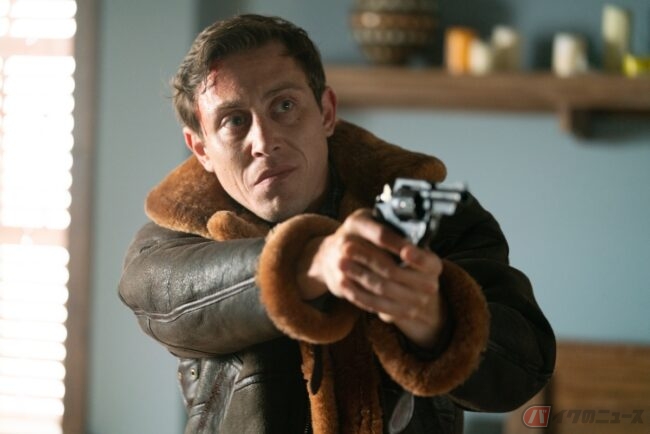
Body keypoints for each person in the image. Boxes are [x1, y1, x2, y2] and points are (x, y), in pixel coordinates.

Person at [118, 14, 555, 434]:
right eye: (234, 121)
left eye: (284, 105)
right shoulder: (177, 236)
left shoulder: (439, 216)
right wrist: (309, 263)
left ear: (326, 112)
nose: (265, 141)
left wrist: (435, 318)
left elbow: (526, 369)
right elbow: (156, 294)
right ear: (201, 150)